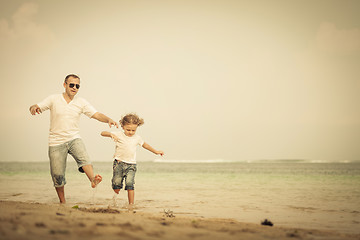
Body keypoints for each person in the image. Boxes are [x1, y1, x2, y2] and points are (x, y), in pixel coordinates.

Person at [29, 74, 119, 204]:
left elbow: (96, 114)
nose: (74, 87)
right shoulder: (54, 99)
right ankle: (62, 202)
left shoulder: (81, 102)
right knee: (57, 175)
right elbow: (37, 106)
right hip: (56, 142)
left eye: (77, 86)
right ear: (65, 85)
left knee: (84, 158)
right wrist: (33, 107)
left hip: (73, 138)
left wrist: (108, 119)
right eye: (71, 84)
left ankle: (93, 180)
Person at [101, 113, 164, 205]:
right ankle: (114, 200)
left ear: (137, 128)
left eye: (133, 130)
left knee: (130, 184)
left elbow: (145, 145)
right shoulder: (118, 135)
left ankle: (131, 204)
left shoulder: (137, 138)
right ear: (122, 126)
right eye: (128, 130)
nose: (130, 132)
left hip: (131, 165)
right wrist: (110, 134)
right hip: (118, 164)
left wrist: (156, 151)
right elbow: (102, 133)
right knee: (116, 185)